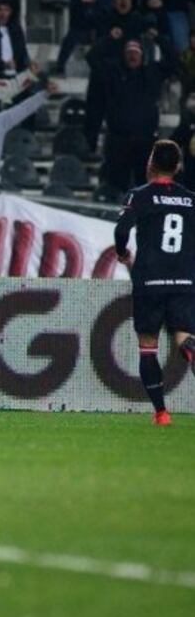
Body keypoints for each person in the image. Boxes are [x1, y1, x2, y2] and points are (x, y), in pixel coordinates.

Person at [113, 140, 195, 427]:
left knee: (148, 345)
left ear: (150, 163)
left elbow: (121, 230)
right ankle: (191, 349)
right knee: (183, 336)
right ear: (178, 167)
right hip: (184, 280)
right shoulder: (190, 199)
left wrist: (123, 254)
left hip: (150, 279)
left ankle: (161, 413)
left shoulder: (141, 196)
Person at [89, 36, 176, 192]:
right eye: (129, 52)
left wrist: (159, 39)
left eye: (136, 52)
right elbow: (92, 58)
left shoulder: (152, 73)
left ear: (142, 55)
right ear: (123, 55)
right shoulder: (113, 73)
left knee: (147, 186)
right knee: (115, 186)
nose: (132, 56)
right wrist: (110, 40)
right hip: (118, 141)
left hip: (145, 141)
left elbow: (173, 61)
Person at [55, 0, 113, 75]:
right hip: (81, 12)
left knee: (102, 39)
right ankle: (60, 66)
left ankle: (102, 67)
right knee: (73, 37)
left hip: (98, 11)